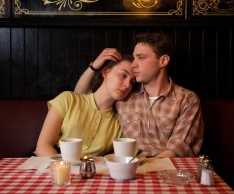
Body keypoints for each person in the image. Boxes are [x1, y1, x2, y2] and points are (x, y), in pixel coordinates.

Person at [74, 32, 204, 158]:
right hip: (133, 167)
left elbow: (178, 147)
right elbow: (81, 98)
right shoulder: (125, 94)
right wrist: (95, 66)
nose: (134, 64)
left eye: (141, 58)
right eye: (134, 57)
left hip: (169, 168)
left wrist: (151, 168)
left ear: (163, 61)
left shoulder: (186, 99)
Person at [35, 55, 135, 157]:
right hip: (49, 162)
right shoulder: (68, 99)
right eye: (123, 75)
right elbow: (43, 147)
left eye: (132, 82)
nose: (127, 85)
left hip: (89, 169)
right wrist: (67, 170)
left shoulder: (120, 121)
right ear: (105, 73)